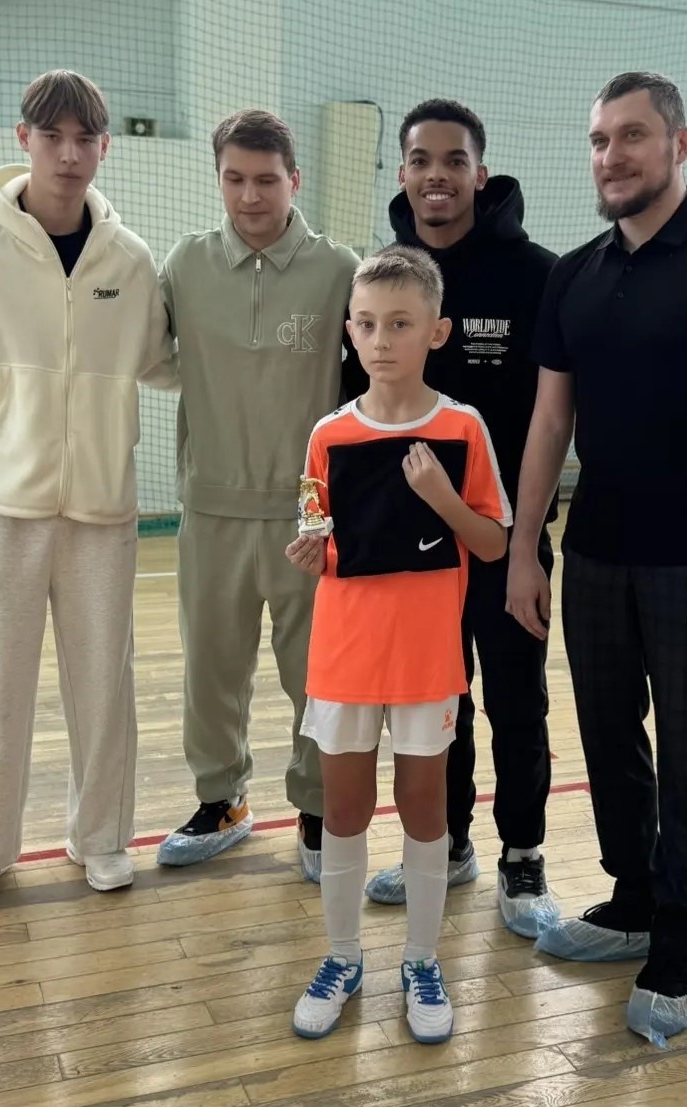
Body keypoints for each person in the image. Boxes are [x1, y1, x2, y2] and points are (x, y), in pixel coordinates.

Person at [506, 72, 687, 1043]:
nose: (612, 156)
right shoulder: (575, 274)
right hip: (596, 555)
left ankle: (680, 939)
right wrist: (524, 550)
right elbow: (550, 423)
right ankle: (634, 898)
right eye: (599, 140)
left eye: (632, 136)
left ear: (680, 144)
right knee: (609, 739)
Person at [0, 70, 177, 910]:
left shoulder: (130, 260)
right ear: (22, 139)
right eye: (52, 136)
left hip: (102, 513)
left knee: (104, 691)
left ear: (104, 147)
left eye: (84, 138)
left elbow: (165, 361)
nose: (68, 154)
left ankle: (102, 839)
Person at [287, 245, 513, 1043]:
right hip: (344, 658)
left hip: (425, 662)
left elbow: (492, 542)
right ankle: (342, 957)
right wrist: (310, 551)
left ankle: (422, 959)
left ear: (437, 332)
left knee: (425, 810)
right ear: (349, 330)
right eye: (367, 324)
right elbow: (320, 534)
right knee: (345, 810)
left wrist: (441, 497)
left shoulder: (462, 427)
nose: (381, 340)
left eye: (401, 324)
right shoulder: (327, 434)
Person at [347, 99, 559, 937]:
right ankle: (453, 844)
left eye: (454, 160)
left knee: (517, 702)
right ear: (402, 172)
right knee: (440, 705)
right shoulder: (382, 277)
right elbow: (361, 415)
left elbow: (552, 422)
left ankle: (523, 856)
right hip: (417, 549)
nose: (437, 175)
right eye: (421, 160)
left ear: (480, 171)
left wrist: (528, 544)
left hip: (509, 543)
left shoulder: (537, 276)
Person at [154, 110, 363, 881]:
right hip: (211, 509)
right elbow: (145, 354)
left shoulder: (339, 269)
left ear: (294, 180)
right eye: (235, 179)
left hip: (309, 517)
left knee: (315, 676)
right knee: (211, 671)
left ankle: (316, 807)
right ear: (218, 179)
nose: (250, 196)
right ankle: (222, 801)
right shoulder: (185, 264)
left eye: (267, 180)